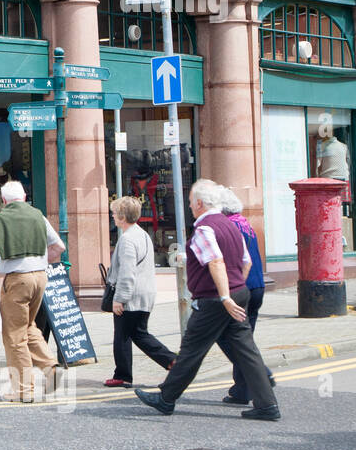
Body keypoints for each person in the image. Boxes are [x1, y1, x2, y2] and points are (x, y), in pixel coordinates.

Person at [135, 179, 281, 421]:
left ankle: (166, 398)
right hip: (238, 293)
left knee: (192, 349)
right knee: (246, 350)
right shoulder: (231, 225)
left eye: (191, 202)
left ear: (200, 203)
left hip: (215, 299)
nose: (190, 206)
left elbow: (215, 262)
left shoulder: (205, 228)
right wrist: (235, 289)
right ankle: (267, 405)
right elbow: (246, 262)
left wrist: (224, 296)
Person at [0, 181, 66, 402]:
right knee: (28, 326)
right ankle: (50, 366)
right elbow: (59, 247)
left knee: (14, 336)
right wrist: (42, 261)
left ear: (4, 201)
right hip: (40, 277)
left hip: (17, 280)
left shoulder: (3, 219)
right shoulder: (38, 216)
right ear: (24, 197)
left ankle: (23, 391)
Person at [104, 196, 175, 388]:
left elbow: (127, 272)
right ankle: (125, 374)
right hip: (145, 294)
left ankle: (171, 361)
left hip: (131, 296)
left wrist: (120, 299)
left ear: (122, 216)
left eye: (114, 213)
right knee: (134, 333)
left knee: (127, 335)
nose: (112, 216)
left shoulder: (127, 239)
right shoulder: (142, 234)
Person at [217, 187, 276, 404]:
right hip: (256, 286)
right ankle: (242, 390)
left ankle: (261, 372)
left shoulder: (228, 226)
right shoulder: (244, 222)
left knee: (225, 335)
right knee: (243, 338)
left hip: (241, 288)